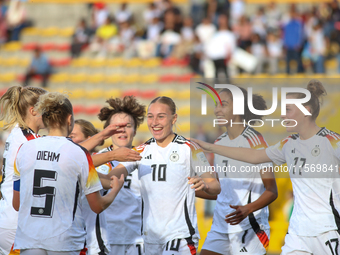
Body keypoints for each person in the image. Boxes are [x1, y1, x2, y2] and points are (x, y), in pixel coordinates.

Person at [193, 80, 340, 255]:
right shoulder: (287, 144)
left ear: (305, 111)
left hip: (327, 229)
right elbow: (254, 157)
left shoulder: (332, 141)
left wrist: (249, 208)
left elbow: (271, 187)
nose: (282, 116)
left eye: (288, 110)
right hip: (297, 232)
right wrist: (209, 147)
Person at [100, 96, 221, 255]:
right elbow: (108, 179)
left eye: (161, 116)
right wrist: (81, 170)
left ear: (174, 118)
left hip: (181, 236)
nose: (154, 122)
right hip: (150, 239)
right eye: (150, 116)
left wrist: (204, 184)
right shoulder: (141, 151)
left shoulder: (190, 148)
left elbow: (215, 186)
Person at [12, 92, 125, 254]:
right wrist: (115, 189)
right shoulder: (80, 153)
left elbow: (17, 204)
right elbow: (97, 206)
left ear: (45, 119)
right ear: (69, 119)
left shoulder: (24, 149)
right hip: (64, 240)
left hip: (29, 238)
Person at [199, 87, 277, 255]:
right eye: (216, 105)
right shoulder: (219, 142)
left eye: (223, 105)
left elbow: (272, 191)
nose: (217, 110)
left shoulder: (256, 142)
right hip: (220, 226)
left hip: (249, 228)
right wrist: (188, 188)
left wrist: (247, 209)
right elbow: (219, 191)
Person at [0, 86, 47, 255]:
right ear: (33, 111)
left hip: (7, 215)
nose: (50, 114)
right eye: (46, 109)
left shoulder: (17, 133)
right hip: (16, 221)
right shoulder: (29, 140)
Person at [97, 96, 145, 255]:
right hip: (106, 239)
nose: (122, 130)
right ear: (108, 130)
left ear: (135, 130)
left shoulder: (147, 159)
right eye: (117, 126)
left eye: (128, 126)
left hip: (139, 240)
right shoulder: (97, 160)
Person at [70, 119, 110, 255]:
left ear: (89, 139)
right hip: (71, 241)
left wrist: (113, 155)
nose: (68, 140)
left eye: (72, 136)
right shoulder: (67, 162)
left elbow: (107, 181)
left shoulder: (102, 162)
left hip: (93, 243)